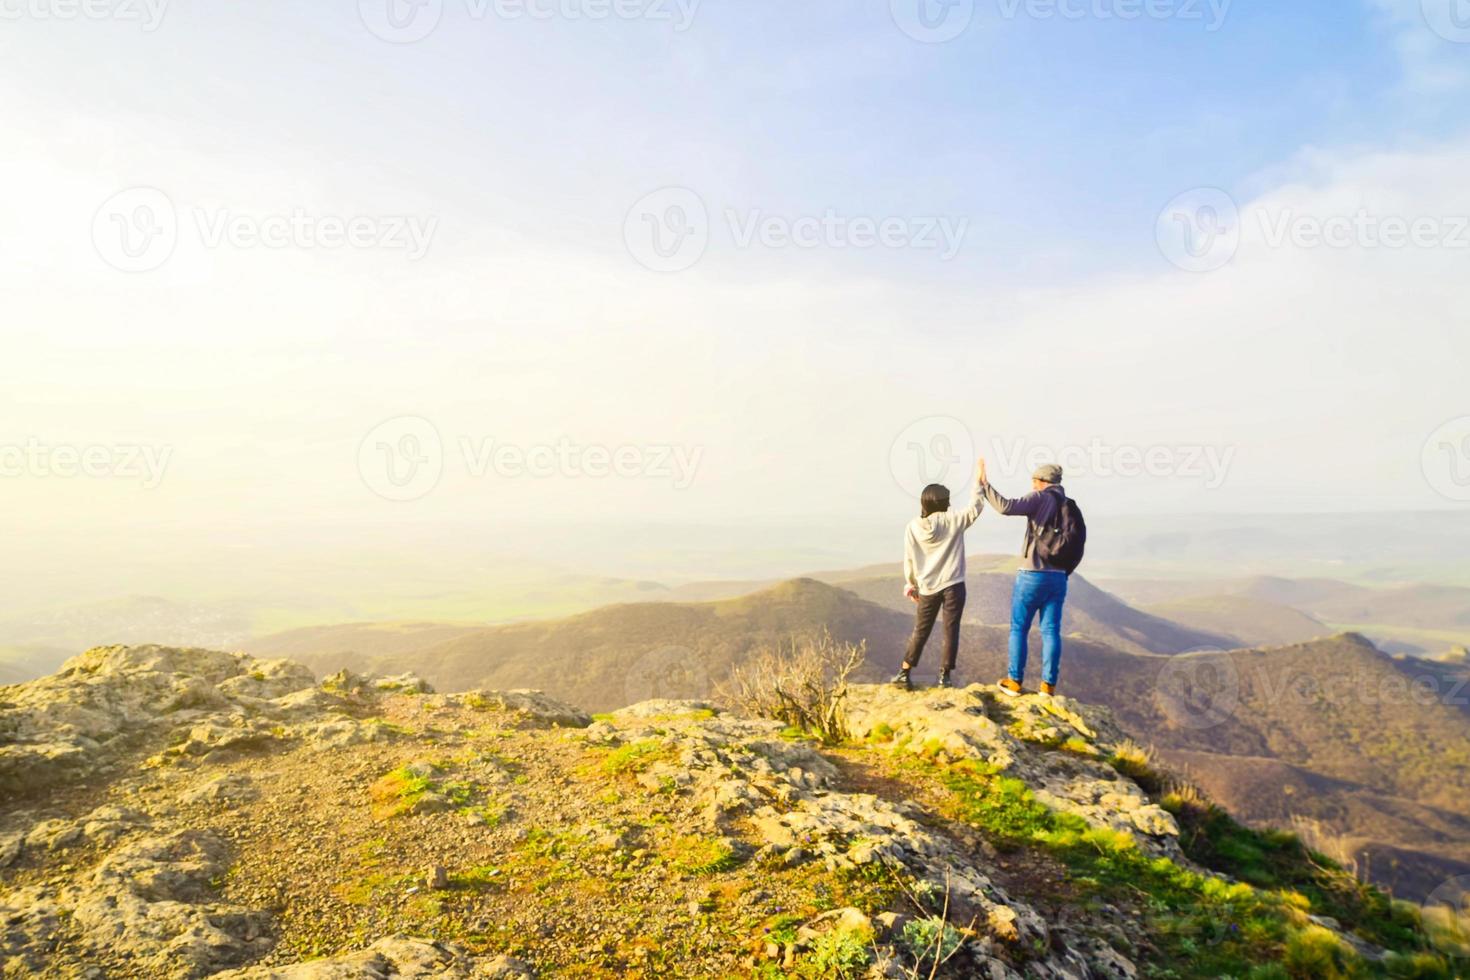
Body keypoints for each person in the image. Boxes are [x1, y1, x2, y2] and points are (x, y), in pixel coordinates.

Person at [977, 460, 1076, 698]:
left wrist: (984, 484)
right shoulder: (1068, 505)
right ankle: (1047, 686)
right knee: (1051, 630)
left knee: (1019, 629)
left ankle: (1014, 682)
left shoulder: (1040, 497)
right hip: (1058, 577)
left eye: (1034, 481)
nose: (1032, 485)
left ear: (1042, 482)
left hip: (1032, 574)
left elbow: (1006, 507)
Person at [892, 462, 986, 691]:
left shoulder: (913, 527)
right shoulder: (953, 520)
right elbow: (975, 508)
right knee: (950, 629)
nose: (951, 503)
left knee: (921, 629)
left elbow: (910, 558)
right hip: (954, 584)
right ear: (944, 503)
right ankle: (945, 676)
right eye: (948, 500)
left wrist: (910, 585)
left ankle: (904, 673)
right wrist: (979, 484)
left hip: (927, 587)